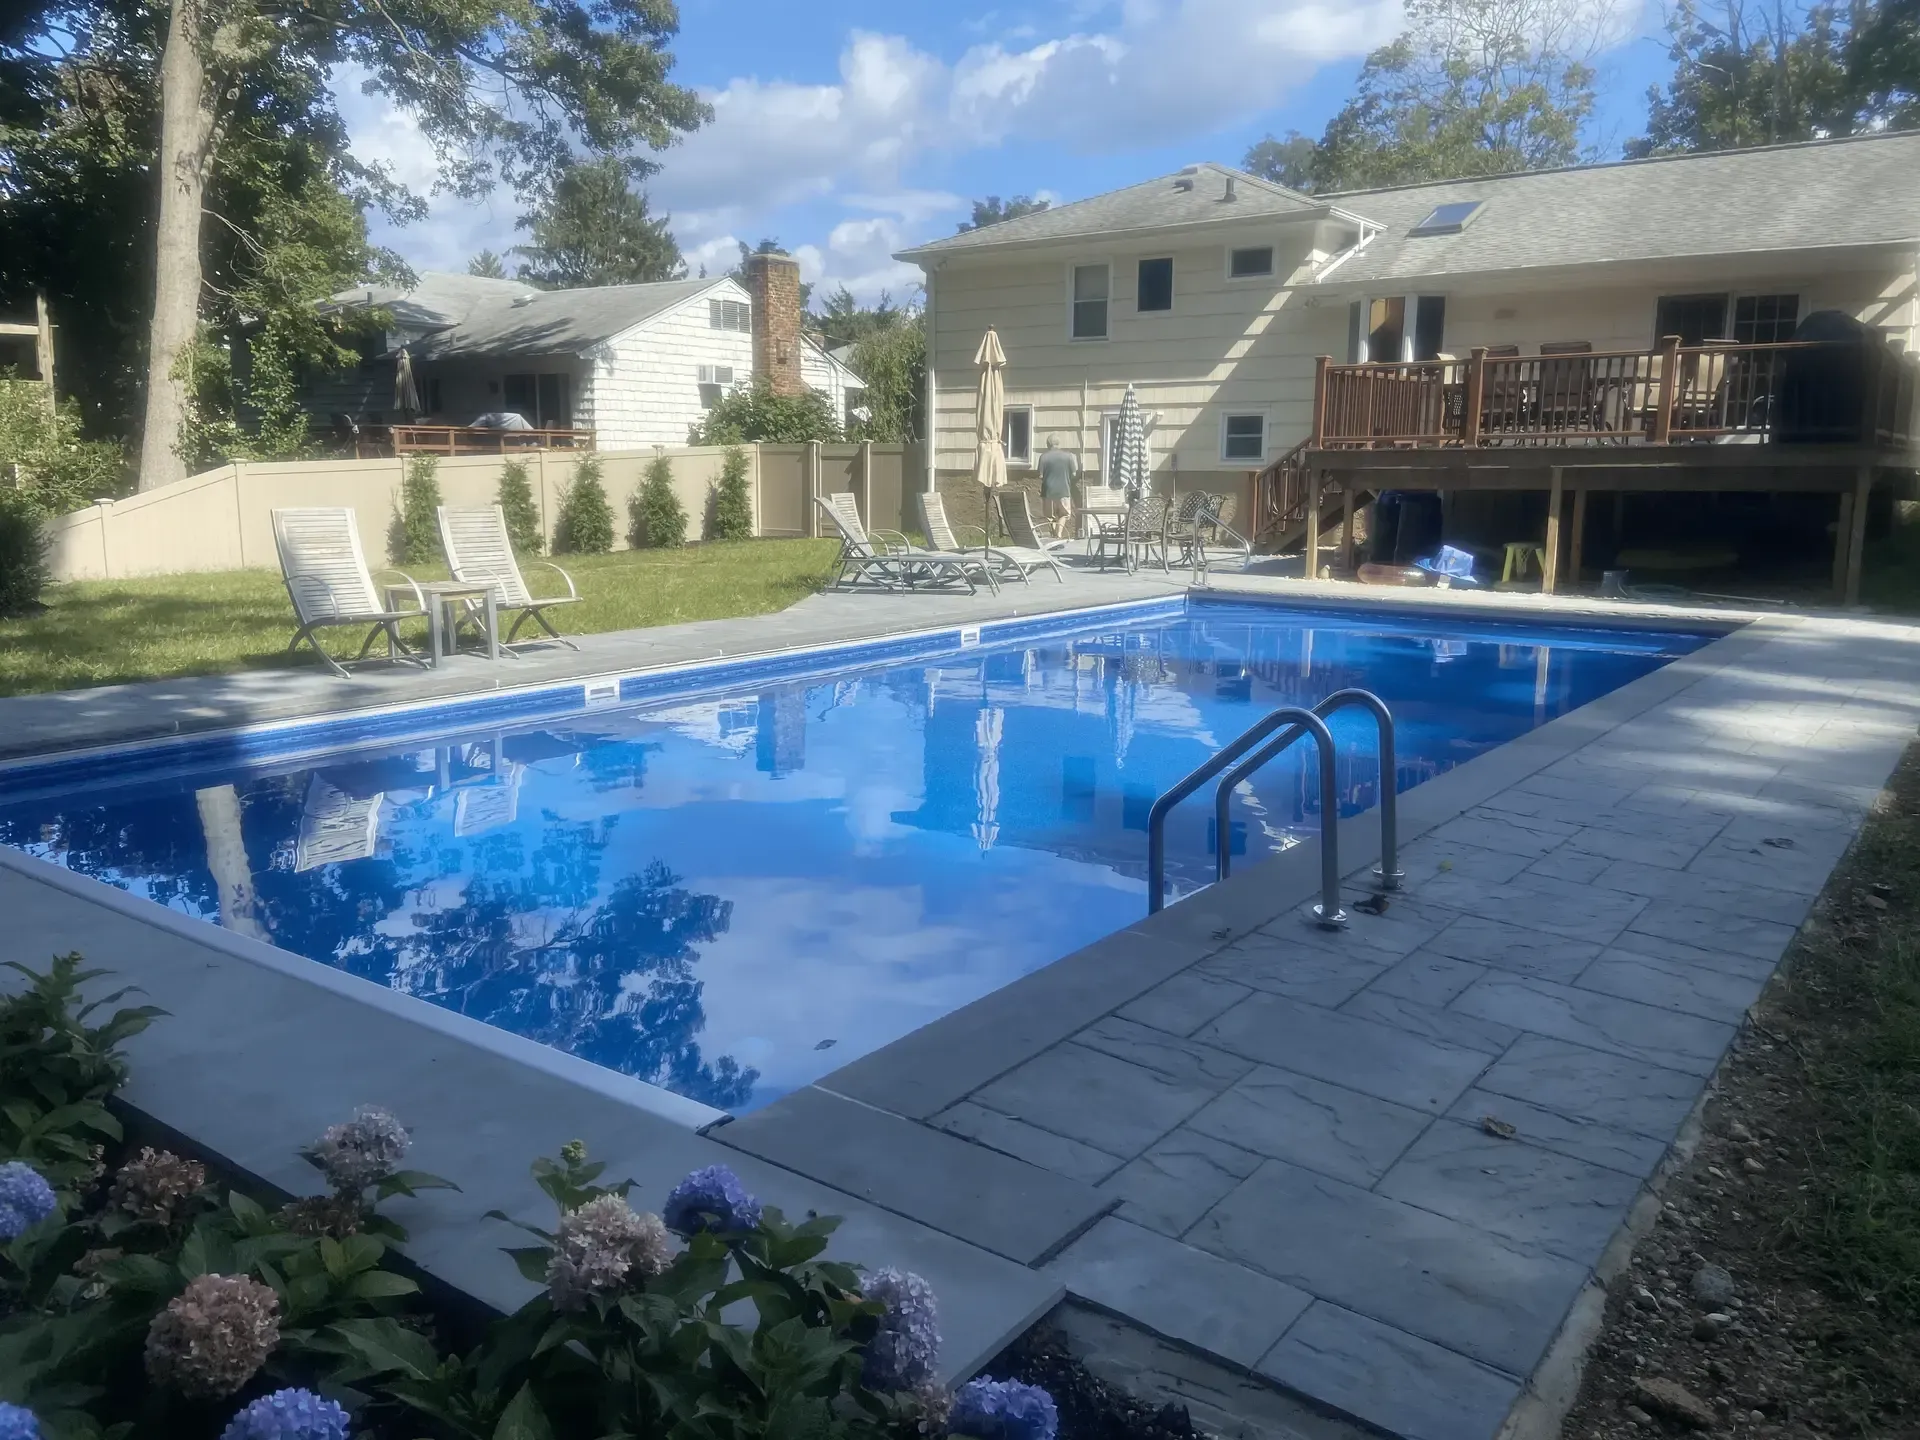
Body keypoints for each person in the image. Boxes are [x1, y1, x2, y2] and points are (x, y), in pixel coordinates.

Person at [1036, 435, 1079, 539]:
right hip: (1063, 490)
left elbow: (1040, 475)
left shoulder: (1043, 457)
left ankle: (1054, 533)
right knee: (1064, 514)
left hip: (1048, 491)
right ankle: (1058, 533)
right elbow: (1074, 473)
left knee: (1050, 516)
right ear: (1059, 444)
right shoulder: (1068, 456)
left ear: (1048, 444)